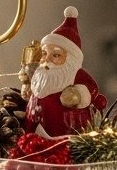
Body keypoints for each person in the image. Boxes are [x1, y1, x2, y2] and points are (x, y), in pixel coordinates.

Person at [24, 7, 106, 138]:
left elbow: (92, 88)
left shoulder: (76, 74)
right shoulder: (40, 75)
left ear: (70, 60)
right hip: (32, 135)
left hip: (67, 135)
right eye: (44, 53)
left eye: (56, 55)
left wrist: (78, 94)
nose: (47, 59)